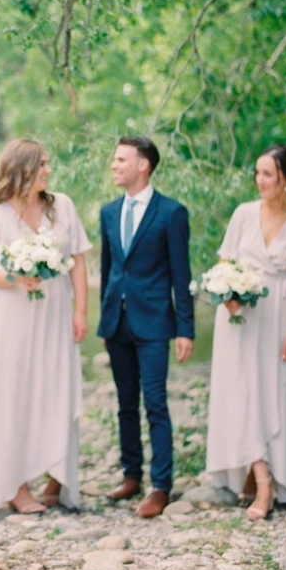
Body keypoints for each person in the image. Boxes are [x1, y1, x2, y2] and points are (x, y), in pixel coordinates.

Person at [205, 145, 286, 520]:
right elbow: (224, 263)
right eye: (257, 173)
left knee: (273, 393)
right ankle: (260, 477)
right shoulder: (243, 214)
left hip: (277, 314)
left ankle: (263, 472)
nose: (260, 180)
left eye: (268, 174)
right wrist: (228, 297)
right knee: (242, 392)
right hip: (240, 315)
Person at [0, 139, 91, 513]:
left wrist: (81, 311)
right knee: (14, 396)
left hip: (55, 314)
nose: (48, 171)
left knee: (57, 389)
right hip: (14, 318)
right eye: (42, 164)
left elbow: (79, 261)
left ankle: (57, 474)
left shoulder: (63, 207)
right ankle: (16, 486)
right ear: (22, 168)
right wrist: (18, 277)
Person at [98, 136, 195, 519]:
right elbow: (109, 270)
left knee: (155, 403)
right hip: (116, 321)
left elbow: (180, 274)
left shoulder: (172, 213)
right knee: (124, 404)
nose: (114, 165)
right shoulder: (108, 212)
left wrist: (185, 328)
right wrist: (105, 314)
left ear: (143, 165)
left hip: (155, 322)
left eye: (121, 159)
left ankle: (161, 485)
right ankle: (131, 475)